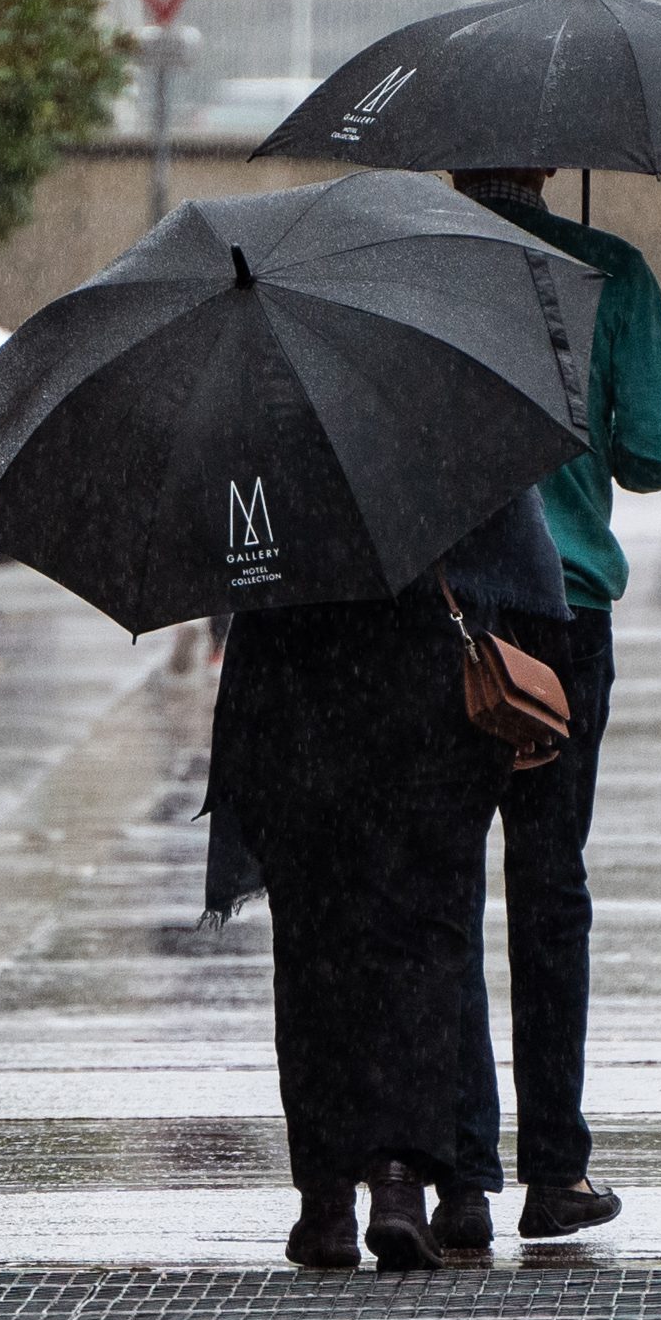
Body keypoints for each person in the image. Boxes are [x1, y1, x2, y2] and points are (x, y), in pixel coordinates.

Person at [425, 167, 661, 1254]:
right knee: (549, 890)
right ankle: (557, 1168)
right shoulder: (608, 273)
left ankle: (456, 1170)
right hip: (561, 621)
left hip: (438, 619)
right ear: (548, 160)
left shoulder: (417, 266)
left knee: (442, 885)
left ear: (449, 165)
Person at [211, 489, 568, 1272]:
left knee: (313, 956)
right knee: (423, 944)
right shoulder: (444, 410)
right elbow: (534, 581)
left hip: (293, 698)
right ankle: (401, 1184)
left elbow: (227, 571)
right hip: (420, 697)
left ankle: (326, 1203)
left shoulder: (255, 433)